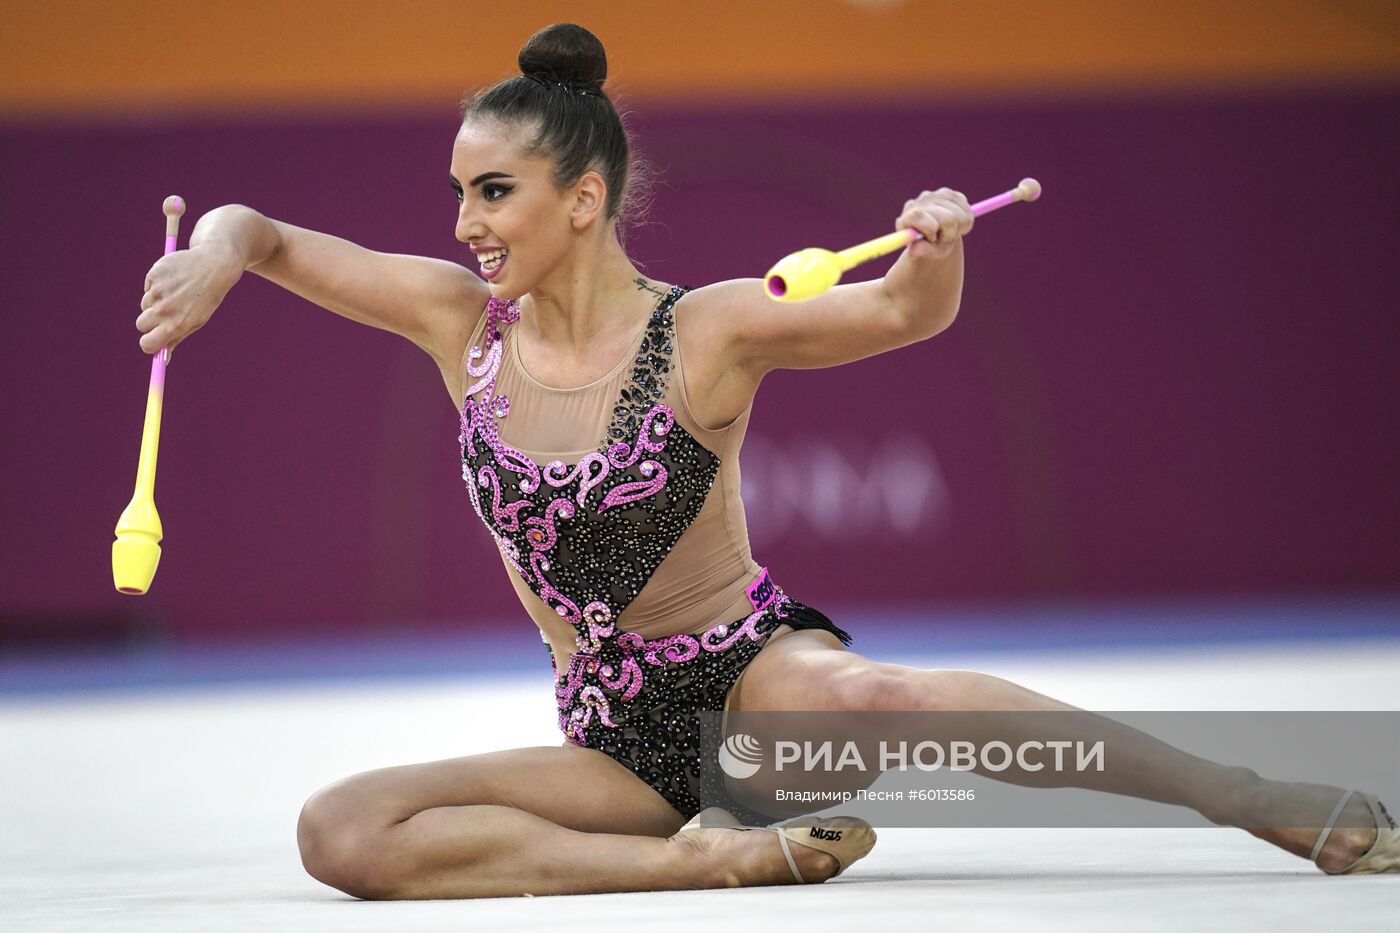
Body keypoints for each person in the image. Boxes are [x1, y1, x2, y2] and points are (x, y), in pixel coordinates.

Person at [135, 23, 1397, 900]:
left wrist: (936, 243)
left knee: (881, 701)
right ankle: (701, 864)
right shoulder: (458, 324)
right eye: (459, 192)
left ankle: (1245, 789)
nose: (463, 224)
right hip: (615, 749)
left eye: (494, 194)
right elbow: (273, 239)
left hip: (756, 696)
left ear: (580, 201)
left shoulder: (706, 329)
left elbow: (904, 315)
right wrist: (218, 254)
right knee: (341, 831)